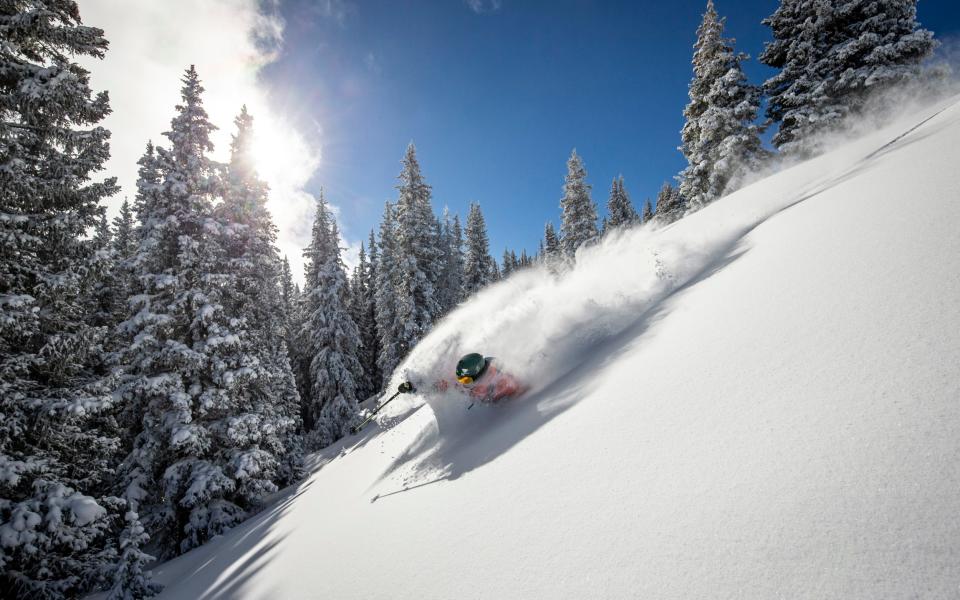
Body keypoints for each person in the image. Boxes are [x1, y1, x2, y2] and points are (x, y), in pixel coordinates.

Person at [438, 352, 525, 403]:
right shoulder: (468, 382)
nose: (463, 382)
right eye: (461, 379)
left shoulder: (500, 382)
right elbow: (452, 381)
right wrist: (443, 384)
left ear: (478, 374)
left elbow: (516, 389)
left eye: (466, 380)